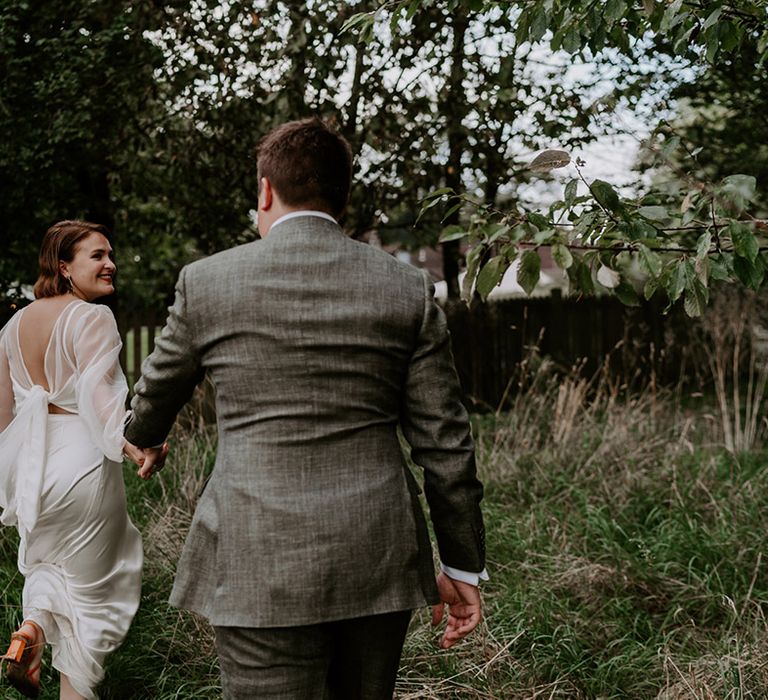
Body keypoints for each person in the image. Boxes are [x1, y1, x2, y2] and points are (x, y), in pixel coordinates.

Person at [124, 117, 487, 699]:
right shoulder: (405, 288)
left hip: (255, 556)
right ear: (342, 198)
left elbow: (156, 390)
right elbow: (446, 444)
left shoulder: (209, 283)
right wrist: (463, 563)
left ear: (265, 191)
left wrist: (144, 433)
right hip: (376, 555)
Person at [0, 221, 144, 700]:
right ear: (64, 267)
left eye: (110, 255)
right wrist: (132, 443)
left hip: (34, 473)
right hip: (83, 469)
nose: (111, 264)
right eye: (97, 256)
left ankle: (33, 630)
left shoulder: (12, 326)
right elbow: (101, 398)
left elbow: (3, 417)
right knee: (93, 600)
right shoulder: (91, 317)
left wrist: (15, 475)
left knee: (49, 568)